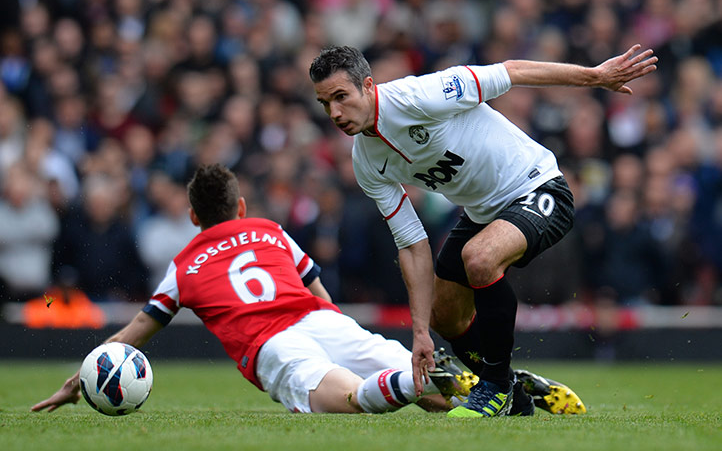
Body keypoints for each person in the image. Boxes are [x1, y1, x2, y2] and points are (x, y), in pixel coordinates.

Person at [32, 164, 584, 416]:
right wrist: (341, 332)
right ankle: (501, 384)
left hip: (270, 342)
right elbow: (317, 287)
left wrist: (79, 379)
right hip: (319, 320)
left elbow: (132, 337)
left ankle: (409, 383)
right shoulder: (269, 230)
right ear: (240, 209)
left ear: (196, 215)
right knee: (440, 397)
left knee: (347, 398)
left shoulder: (184, 263)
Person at [309, 45, 656, 417]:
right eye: (325, 103)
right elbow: (411, 243)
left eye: (341, 97)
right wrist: (422, 331)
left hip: (538, 188)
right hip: (482, 214)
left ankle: (494, 388)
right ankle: (514, 391)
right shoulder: (366, 162)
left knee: (479, 258)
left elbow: (513, 70)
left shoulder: (424, 94)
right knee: (444, 315)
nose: (335, 113)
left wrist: (596, 76)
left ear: (368, 85)